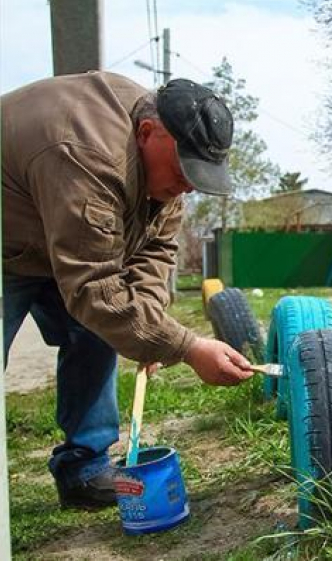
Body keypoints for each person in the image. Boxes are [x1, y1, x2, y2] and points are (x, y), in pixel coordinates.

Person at [1, 71, 255, 510]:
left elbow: (156, 253)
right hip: (8, 231)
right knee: (103, 310)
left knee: (102, 329)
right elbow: (95, 288)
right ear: (147, 132)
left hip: (52, 235)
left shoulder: (167, 161)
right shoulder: (88, 155)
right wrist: (186, 347)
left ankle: (84, 469)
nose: (188, 186)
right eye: (182, 172)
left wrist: (148, 332)